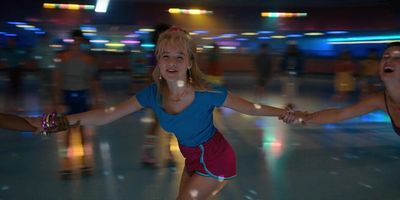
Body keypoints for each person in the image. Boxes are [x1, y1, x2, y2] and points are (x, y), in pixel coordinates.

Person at [58, 26, 292, 199]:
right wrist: (60, 121)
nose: (172, 63)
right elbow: (107, 114)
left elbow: (251, 107)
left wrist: (285, 112)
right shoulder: (153, 94)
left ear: (190, 62)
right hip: (192, 158)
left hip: (216, 158)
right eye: (166, 56)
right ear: (158, 61)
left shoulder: (206, 93)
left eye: (179, 57)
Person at [282, 42, 400, 136]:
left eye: (397, 57)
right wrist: (304, 117)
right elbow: (338, 114)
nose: (388, 60)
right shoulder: (380, 100)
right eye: (386, 56)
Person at [53, 29, 102, 178]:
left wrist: (95, 100)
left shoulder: (88, 60)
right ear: (72, 41)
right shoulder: (63, 58)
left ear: (82, 42)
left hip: (82, 95)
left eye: (79, 41)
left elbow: (92, 80)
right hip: (68, 96)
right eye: (75, 40)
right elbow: (58, 79)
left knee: (81, 131)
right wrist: (57, 100)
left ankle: (84, 163)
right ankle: (66, 164)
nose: (77, 43)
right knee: (66, 131)